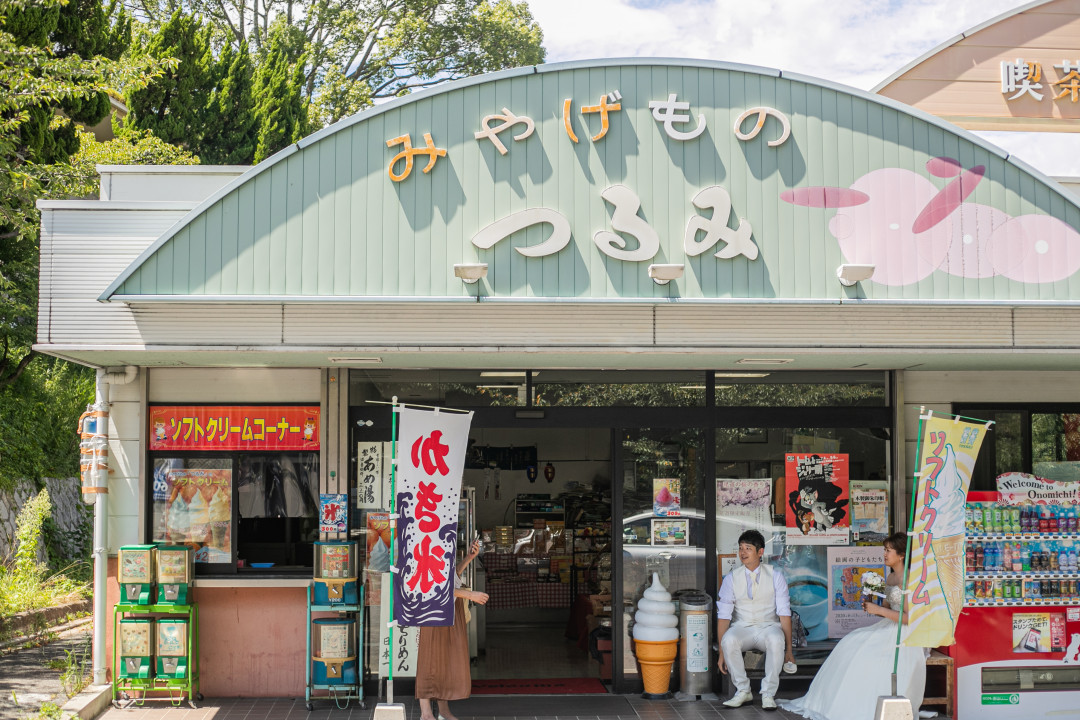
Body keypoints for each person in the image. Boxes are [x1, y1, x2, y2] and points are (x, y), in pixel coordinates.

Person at [780, 532, 928, 720]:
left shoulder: (908, 580)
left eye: (888, 550)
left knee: (865, 654)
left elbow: (908, 618)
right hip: (888, 625)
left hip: (904, 633)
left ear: (901, 555)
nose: (884, 554)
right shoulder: (891, 578)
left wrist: (879, 611)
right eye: (884, 549)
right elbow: (888, 607)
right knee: (850, 641)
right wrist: (872, 601)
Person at [717, 530, 795, 711]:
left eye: (748, 548)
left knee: (776, 639)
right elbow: (724, 616)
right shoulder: (731, 578)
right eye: (740, 548)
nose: (742, 553)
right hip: (742, 627)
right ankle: (743, 690)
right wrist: (722, 651)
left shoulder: (776, 576)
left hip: (768, 626)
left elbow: (784, 613)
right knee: (729, 640)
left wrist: (789, 650)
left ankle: (768, 693)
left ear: (760, 552)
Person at [416, 538, 488, 720]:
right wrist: (470, 594)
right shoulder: (423, 546)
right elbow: (433, 586)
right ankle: (426, 714)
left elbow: (449, 577)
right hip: (431, 615)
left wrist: (469, 558)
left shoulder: (440, 546)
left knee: (444, 664)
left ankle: (443, 711)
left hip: (449, 613)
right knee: (428, 662)